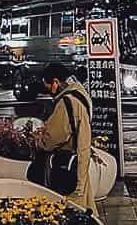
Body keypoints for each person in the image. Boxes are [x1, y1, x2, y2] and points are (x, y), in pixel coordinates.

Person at [32, 62, 94, 211]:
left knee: (68, 207)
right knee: (83, 205)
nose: (49, 92)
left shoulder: (66, 102)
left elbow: (53, 138)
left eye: (48, 87)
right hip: (81, 157)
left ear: (56, 82)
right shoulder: (81, 93)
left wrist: (38, 139)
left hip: (66, 164)